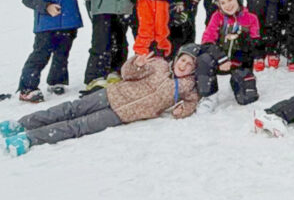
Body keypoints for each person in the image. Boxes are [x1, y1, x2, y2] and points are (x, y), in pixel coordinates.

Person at [2, 47, 200, 157]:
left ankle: (29, 138)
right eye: (183, 60)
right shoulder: (159, 65)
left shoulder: (187, 86)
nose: (184, 65)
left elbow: (191, 103)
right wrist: (136, 64)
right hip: (111, 94)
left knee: (78, 126)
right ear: (177, 58)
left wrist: (182, 110)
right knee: (70, 109)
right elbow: (127, 74)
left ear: (193, 70)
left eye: (190, 64)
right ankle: (22, 124)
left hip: (121, 115)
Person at [17, 0, 85, 102]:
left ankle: (57, 81)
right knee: (40, 54)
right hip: (46, 24)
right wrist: (46, 6)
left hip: (69, 22)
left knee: (62, 54)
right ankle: (27, 88)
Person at [197, 0, 261, 106]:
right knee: (203, 59)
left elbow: (255, 44)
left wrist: (241, 37)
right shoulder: (217, 17)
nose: (227, 5)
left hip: (240, 62)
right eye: (223, 3)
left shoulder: (251, 18)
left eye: (230, 0)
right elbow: (207, 42)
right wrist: (221, 58)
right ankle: (209, 96)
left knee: (247, 99)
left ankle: (237, 81)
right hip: (219, 61)